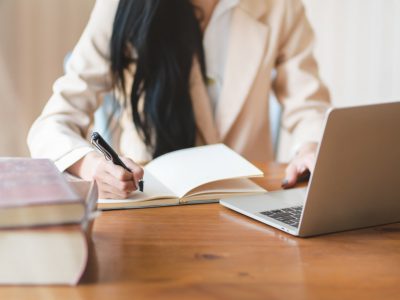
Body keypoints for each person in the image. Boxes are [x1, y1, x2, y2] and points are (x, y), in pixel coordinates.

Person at [28, 0, 330, 199]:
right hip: (151, 205)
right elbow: (53, 123)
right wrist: (91, 166)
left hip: (247, 204)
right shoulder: (120, 6)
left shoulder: (280, 6)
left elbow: (308, 106)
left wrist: (310, 147)